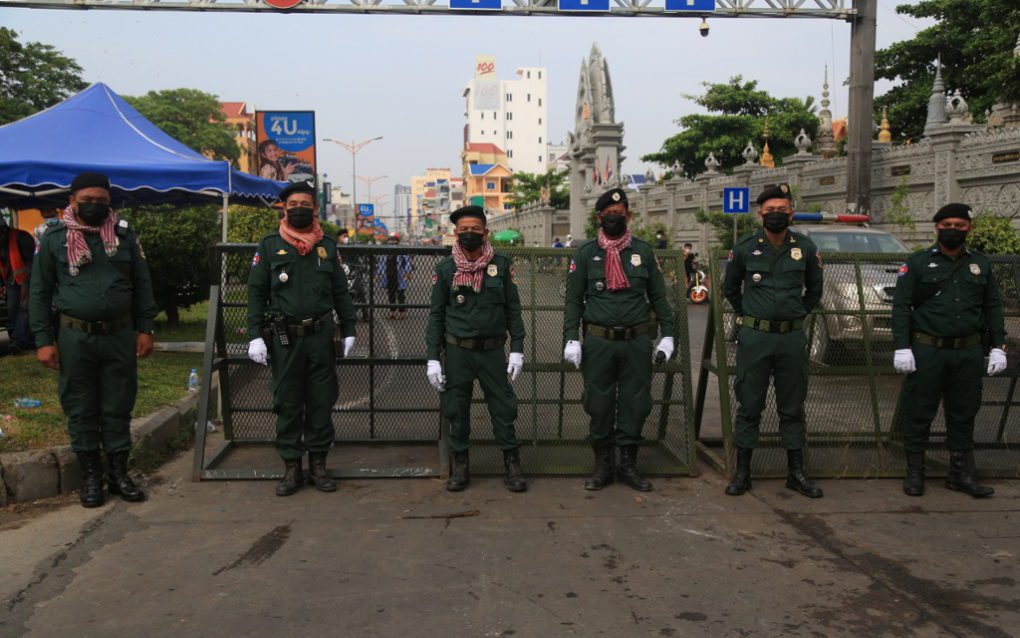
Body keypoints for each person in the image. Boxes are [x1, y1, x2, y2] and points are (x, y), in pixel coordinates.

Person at [29, 172, 157, 508]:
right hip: (74, 337)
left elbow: (142, 285)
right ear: (71, 201)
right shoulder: (54, 238)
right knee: (81, 407)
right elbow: (39, 293)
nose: (94, 205)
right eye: (87, 199)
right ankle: (90, 479)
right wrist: (44, 339)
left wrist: (146, 329)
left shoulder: (124, 237)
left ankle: (118, 475)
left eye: (101, 200)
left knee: (118, 404)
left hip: (119, 335)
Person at [246, 181, 357, 497]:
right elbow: (256, 294)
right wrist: (254, 336)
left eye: (305, 204)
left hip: (321, 337)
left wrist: (349, 327)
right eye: (292, 203)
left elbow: (340, 292)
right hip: (285, 339)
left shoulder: (327, 247)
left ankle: (319, 466)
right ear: (283, 207)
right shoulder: (269, 246)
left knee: (322, 401)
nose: (298, 209)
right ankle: (292, 468)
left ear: (315, 209)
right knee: (288, 402)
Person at [562, 187, 675, 492]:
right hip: (599, 341)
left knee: (636, 403)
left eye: (619, 213)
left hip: (637, 342)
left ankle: (628, 464)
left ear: (628, 215)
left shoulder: (643, 252)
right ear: (599, 217)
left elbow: (659, 298)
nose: (614, 217)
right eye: (608, 214)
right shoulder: (586, 254)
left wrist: (669, 337)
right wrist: (572, 338)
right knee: (597, 403)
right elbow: (573, 301)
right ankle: (602, 466)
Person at [892, 203, 1007, 498]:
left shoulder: (980, 264)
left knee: (964, 412)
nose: (953, 230)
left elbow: (992, 307)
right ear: (936, 228)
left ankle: (960, 474)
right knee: (920, 411)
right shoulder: (918, 262)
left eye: (959, 225)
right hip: (927, 350)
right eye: (946, 225)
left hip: (967, 351)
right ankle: (915, 472)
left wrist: (998, 346)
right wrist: (902, 347)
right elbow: (902, 307)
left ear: (969, 228)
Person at [722, 183, 824, 499]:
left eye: (782, 210)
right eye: (770, 211)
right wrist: (749, 316)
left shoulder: (806, 249)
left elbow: (815, 292)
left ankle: (796, 473)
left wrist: (795, 315)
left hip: (792, 339)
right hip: (756, 339)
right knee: (750, 404)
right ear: (760, 214)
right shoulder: (745, 248)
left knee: (792, 406)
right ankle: (742, 473)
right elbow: (730, 288)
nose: (776, 215)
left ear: (791, 212)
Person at [425, 205, 527, 493]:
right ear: (455, 234)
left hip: (493, 351)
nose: (469, 234)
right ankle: (461, 466)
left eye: (475, 229)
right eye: (463, 230)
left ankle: (512, 463)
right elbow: (436, 316)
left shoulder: (502, 265)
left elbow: (513, 310)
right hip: (458, 352)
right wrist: (433, 358)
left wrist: (517, 347)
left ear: (486, 232)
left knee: (503, 407)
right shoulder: (446, 269)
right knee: (457, 409)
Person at [1, 216, 36, 354]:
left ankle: (17, 342)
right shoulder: (1, 241)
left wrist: (26, 286)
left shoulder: (22, 238)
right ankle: (26, 341)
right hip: (11, 282)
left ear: (4, 228)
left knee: (25, 309)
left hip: (29, 280)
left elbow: (31, 263)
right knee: (13, 312)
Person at [376, 232, 413, 319]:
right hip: (388, 275)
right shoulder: (385, 251)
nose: (392, 242)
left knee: (400, 295)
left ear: (397, 241)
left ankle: (402, 313)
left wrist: (408, 272)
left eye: (394, 240)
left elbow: (407, 261)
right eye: (390, 240)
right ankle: (392, 312)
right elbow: (381, 263)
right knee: (391, 294)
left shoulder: (401, 250)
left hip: (400, 275)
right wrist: (378, 273)